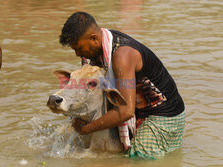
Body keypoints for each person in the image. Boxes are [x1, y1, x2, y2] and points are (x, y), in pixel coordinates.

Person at [59, 11, 185, 159]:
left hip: (164, 116)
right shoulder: (97, 49)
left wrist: (86, 129)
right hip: (136, 108)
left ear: (94, 39)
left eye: (78, 48)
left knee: (138, 157)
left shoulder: (122, 55)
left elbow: (126, 112)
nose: (77, 54)